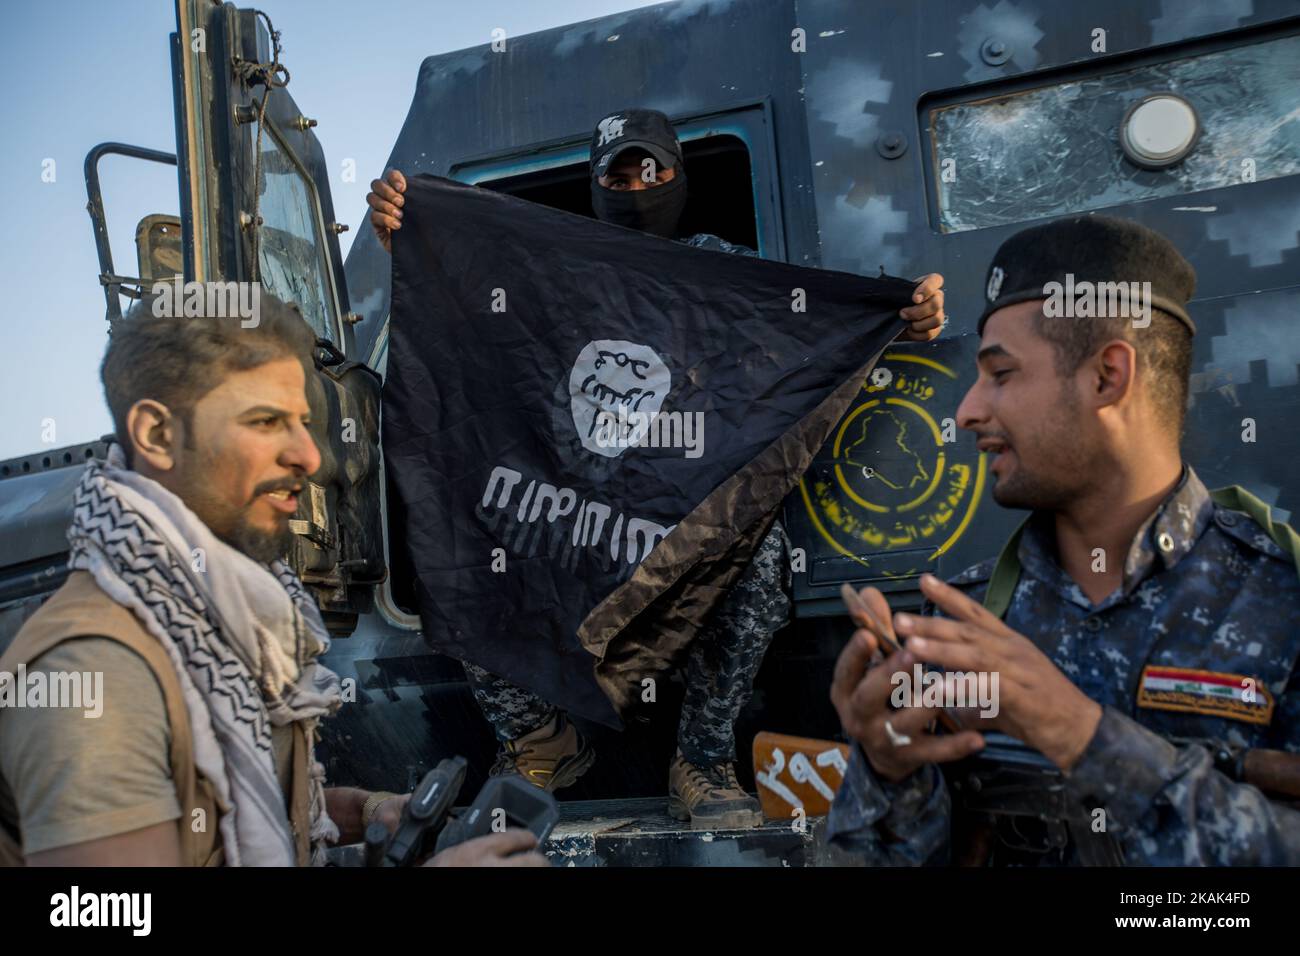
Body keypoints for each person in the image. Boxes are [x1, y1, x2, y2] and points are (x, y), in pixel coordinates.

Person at [367, 108, 946, 828]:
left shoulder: (719, 266)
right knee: (461, 530)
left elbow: (805, 322)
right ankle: (540, 738)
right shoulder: (553, 263)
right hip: (569, 489)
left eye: (652, 169)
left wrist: (902, 308)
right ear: (596, 183)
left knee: (756, 558)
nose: (636, 183)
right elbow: (468, 314)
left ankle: (701, 761)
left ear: (678, 176)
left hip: (678, 500)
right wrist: (411, 240)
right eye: (618, 171)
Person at [0, 295, 545, 867]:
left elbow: (236, 820)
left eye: (306, 424)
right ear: (157, 434)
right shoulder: (99, 681)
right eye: (265, 421)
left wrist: (366, 810)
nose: (310, 456)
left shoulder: (231, 615)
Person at [826, 215, 1300, 864]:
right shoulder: (959, 626)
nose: (966, 411)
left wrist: (1081, 734)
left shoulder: (1283, 601)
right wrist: (889, 776)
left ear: (1108, 376)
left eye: (1001, 373)